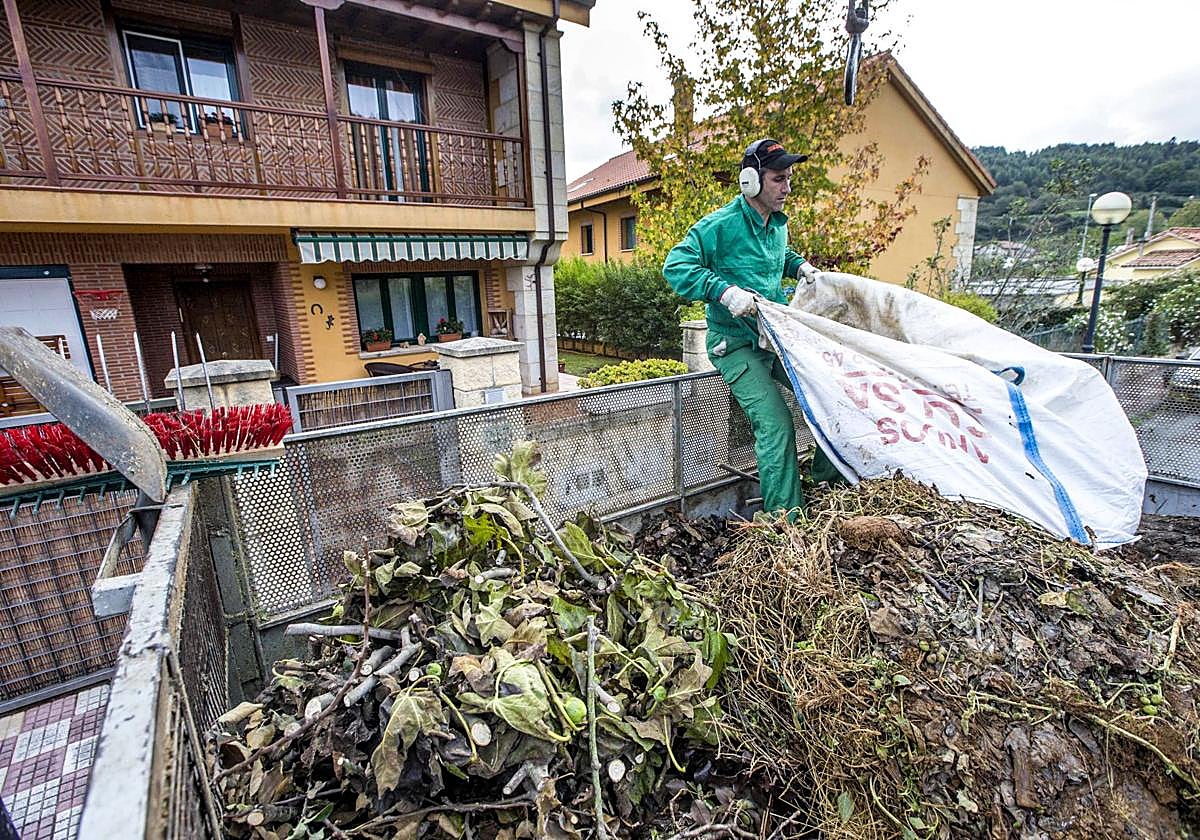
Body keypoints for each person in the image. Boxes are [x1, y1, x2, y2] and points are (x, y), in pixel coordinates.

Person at [663, 138, 837, 515]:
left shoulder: (776, 225)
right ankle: (785, 524)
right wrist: (723, 292)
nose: (787, 189)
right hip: (736, 345)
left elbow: (778, 256)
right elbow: (675, 267)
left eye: (789, 179)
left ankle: (827, 489)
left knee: (827, 398)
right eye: (778, 179)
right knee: (776, 426)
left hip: (772, 338)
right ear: (750, 181)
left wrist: (801, 267)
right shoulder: (720, 226)